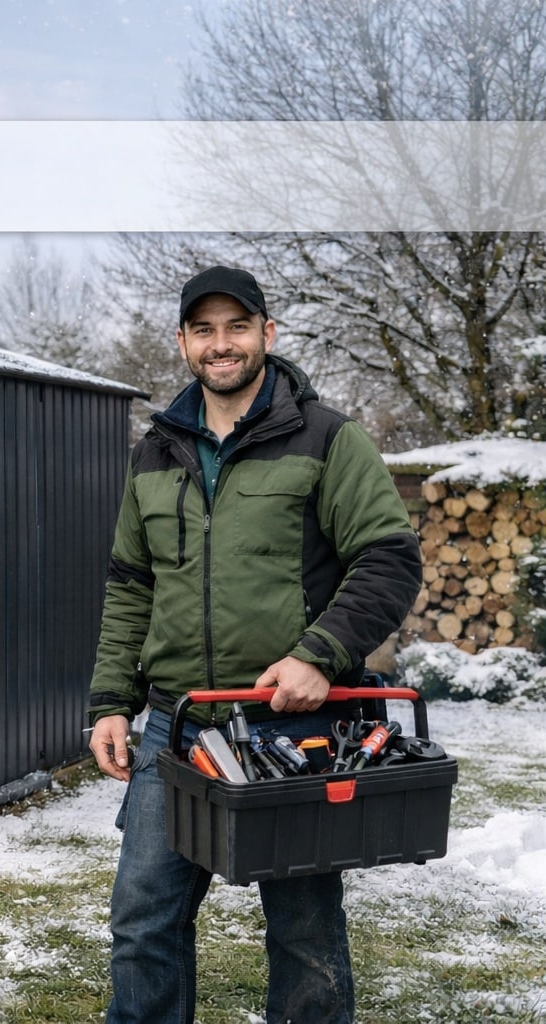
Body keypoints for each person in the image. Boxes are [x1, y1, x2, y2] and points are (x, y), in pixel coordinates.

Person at [86, 266, 423, 1024]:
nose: (221, 343)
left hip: (290, 725)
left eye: (237, 326)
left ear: (267, 334)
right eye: (203, 329)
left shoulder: (327, 438)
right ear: (182, 343)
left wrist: (319, 654)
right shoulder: (155, 452)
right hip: (177, 726)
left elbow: (389, 558)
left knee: (304, 928)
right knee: (142, 924)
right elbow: (131, 585)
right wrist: (112, 701)